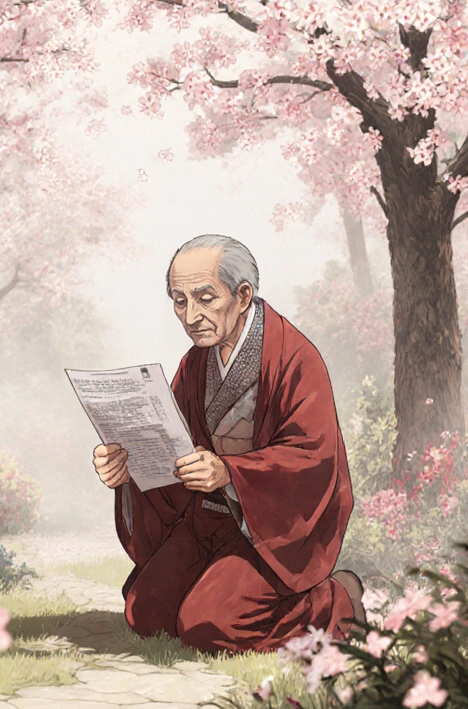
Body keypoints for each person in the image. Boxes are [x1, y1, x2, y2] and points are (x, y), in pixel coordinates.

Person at [91, 235, 364, 653]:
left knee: (209, 625)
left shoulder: (294, 357)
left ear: (242, 295)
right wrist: (128, 470)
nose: (191, 315)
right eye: (180, 301)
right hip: (208, 516)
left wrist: (230, 472)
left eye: (205, 298)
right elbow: (174, 449)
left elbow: (313, 456)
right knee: (145, 612)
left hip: (267, 528)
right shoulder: (197, 360)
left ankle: (336, 598)